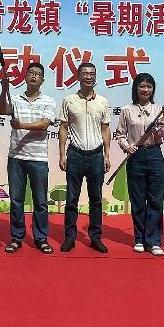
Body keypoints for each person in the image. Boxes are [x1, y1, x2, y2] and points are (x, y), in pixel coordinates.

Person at [0, 62, 57, 254]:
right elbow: (2, 110)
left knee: (40, 201)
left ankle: (41, 239)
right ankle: (17, 238)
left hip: (38, 158)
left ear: (42, 80)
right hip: (16, 157)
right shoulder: (15, 98)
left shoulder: (48, 101)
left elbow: (44, 124)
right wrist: (4, 89)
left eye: (38, 74)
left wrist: (21, 125)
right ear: (25, 77)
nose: (34, 76)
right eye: (31, 72)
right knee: (16, 200)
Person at [115, 73, 164, 256]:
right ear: (136, 88)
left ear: (153, 89)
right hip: (135, 157)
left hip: (154, 154)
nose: (146, 90)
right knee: (138, 199)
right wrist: (126, 146)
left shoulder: (158, 109)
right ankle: (139, 238)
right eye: (142, 86)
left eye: (149, 86)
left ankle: (153, 241)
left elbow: (161, 137)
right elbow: (120, 134)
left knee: (155, 199)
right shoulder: (127, 110)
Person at [58, 62, 111, 253]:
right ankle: (69, 237)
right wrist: (62, 154)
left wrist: (107, 155)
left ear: (95, 77)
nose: (89, 77)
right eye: (85, 74)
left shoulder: (103, 101)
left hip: (96, 156)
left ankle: (95, 237)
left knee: (96, 199)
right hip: (75, 155)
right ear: (78, 77)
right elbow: (63, 127)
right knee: (71, 199)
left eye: (92, 74)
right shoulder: (69, 100)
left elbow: (105, 128)